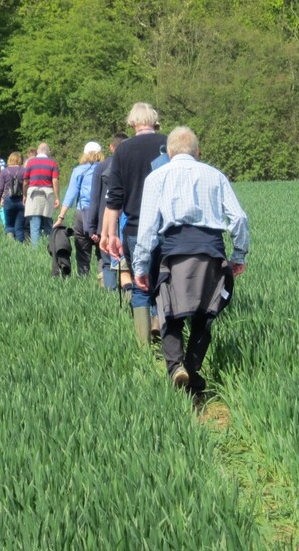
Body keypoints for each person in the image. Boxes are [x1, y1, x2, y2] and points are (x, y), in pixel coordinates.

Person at [133, 126, 249, 399]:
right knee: (205, 314)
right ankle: (194, 372)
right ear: (197, 152)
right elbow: (239, 219)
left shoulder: (157, 177)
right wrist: (239, 255)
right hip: (211, 251)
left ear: (169, 153)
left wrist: (140, 266)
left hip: (173, 252)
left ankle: (175, 368)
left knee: (168, 311)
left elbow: (148, 227)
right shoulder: (215, 176)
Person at [99, 103, 168, 345]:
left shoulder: (123, 150)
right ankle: (160, 322)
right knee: (164, 280)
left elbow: (114, 198)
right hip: (166, 227)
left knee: (140, 285)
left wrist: (109, 235)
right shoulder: (168, 144)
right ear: (155, 121)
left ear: (132, 124)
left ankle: (143, 347)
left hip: (135, 228)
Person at [54, 142, 104, 277]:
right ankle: (105, 282)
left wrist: (61, 217)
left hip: (83, 213)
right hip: (103, 213)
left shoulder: (79, 170)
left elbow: (71, 194)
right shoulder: (106, 168)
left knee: (82, 251)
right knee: (103, 251)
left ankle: (83, 279)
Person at [89, 133, 127, 290]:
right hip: (126, 221)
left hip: (105, 222)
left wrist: (92, 226)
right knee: (127, 263)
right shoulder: (130, 165)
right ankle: (128, 298)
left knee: (107, 262)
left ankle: (111, 298)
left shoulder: (101, 167)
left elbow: (95, 198)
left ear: (112, 147)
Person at [22, 142, 60, 247]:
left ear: (38, 151)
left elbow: (25, 181)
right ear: (48, 152)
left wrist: (24, 194)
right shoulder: (53, 163)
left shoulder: (30, 163)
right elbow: (55, 181)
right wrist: (57, 197)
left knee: (34, 225)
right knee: (48, 223)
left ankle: (35, 249)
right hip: (47, 194)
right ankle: (50, 247)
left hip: (33, 194)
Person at [0, 152, 27, 243]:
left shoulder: (4, 171)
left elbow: (0, 189)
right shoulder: (24, 170)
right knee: (19, 227)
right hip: (22, 201)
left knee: (9, 225)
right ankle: (20, 247)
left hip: (8, 200)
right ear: (20, 159)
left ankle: (10, 244)